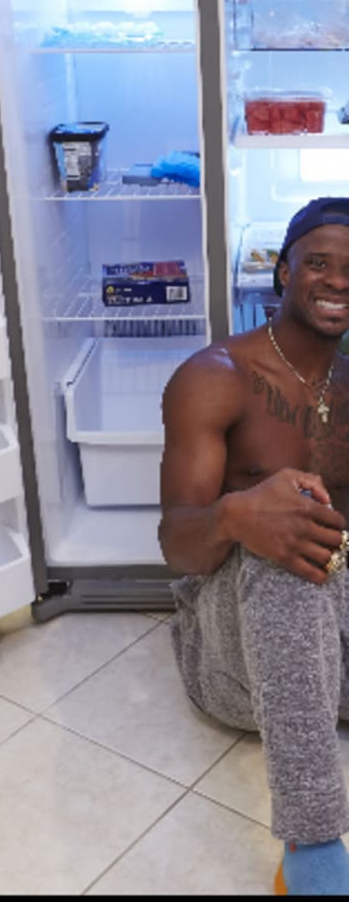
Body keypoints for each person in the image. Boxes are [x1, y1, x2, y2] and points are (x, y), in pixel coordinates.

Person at [160, 196, 349, 897]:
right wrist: (239, 516)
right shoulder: (216, 376)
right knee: (289, 540)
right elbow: (177, 544)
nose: (336, 281)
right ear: (282, 276)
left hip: (336, 652)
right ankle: (315, 850)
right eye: (318, 264)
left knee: (318, 543)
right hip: (236, 661)